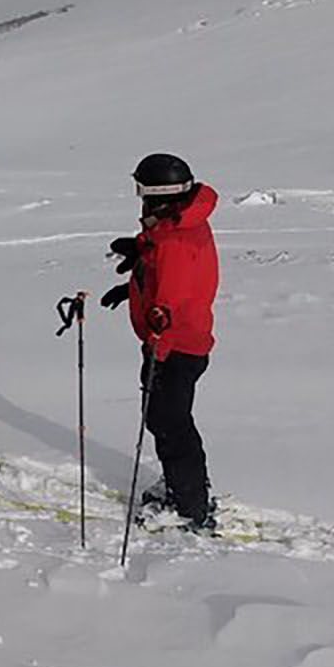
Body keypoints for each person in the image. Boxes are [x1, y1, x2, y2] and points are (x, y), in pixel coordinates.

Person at [103, 152, 219, 530]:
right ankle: (182, 486)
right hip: (185, 341)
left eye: (142, 193)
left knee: (170, 422)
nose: (140, 201)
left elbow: (166, 306)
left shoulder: (175, 242)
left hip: (176, 347)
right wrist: (133, 282)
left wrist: (158, 350)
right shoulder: (181, 226)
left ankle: (188, 507)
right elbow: (163, 272)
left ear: (159, 195)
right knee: (165, 419)